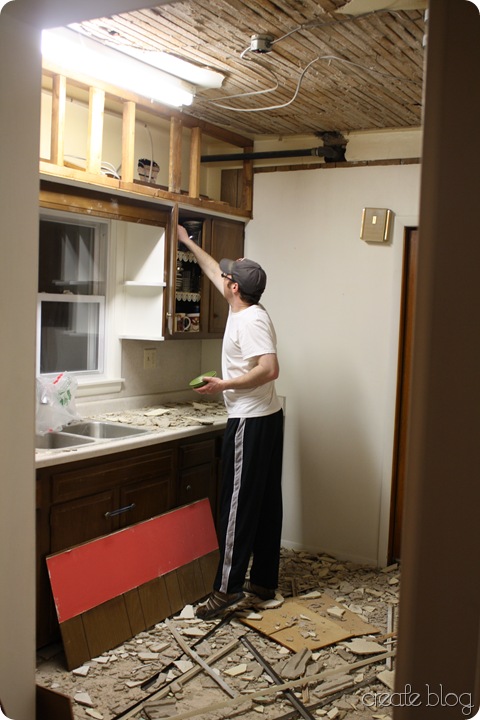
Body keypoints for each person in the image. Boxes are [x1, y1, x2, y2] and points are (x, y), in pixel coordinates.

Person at [177, 224, 284, 619]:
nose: (221, 276)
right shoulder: (244, 307)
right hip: (268, 418)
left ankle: (227, 590)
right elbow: (211, 270)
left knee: (236, 506)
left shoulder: (250, 321)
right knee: (265, 501)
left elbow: (269, 369)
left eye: (227, 276)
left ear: (234, 287)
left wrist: (224, 384)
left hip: (250, 421)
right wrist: (186, 241)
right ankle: (263, 582)